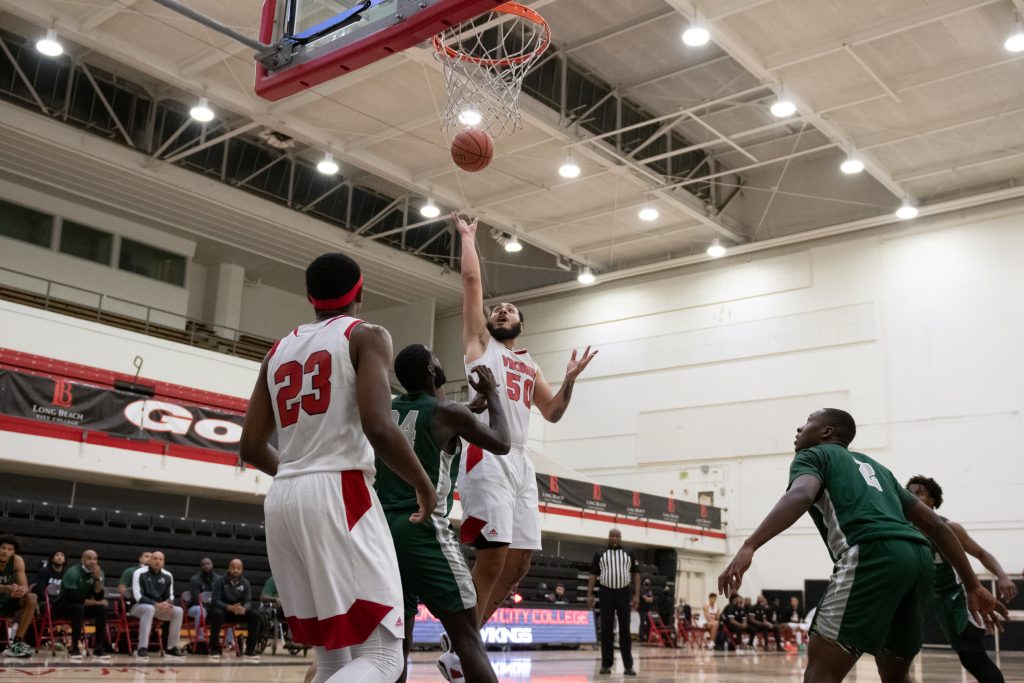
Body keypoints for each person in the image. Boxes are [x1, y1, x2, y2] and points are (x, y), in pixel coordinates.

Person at [239, 252, 437, 683]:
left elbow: (251, 446)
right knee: (384, 658)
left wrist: (301, 475)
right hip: (340, 491)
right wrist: (423, 484)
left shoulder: (276, 351)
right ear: (360, 292)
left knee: (334, 659)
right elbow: (378, 425)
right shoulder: (366, 335)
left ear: (309, 296)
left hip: (283, 496)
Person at [718, 408, 1006, 683]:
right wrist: (972, 585)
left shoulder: (813, 455)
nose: (799, 428)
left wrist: (750, 545)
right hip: (919, 560)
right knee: (896, 676)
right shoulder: (877, 468)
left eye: (807, 421)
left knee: (821, 673)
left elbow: (802, 493)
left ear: (826, 431)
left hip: (872, 554)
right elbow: (937, 526)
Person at [453, 213, 598, 630]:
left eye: (510, 310)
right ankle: (464, 645)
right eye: (497, 310)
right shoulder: (480, 345)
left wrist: (570, 380)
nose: (502, 311)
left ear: (520, 325)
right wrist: (468, 238)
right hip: (487, 452)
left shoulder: (528, 363)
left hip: (520, 461)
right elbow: (471, 284)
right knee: (492, 558)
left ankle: (465, 640)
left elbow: (552, 412)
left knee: (519, 565)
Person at [375, 344, 511, 683]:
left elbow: (425, 418)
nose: (439, 360)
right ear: (431, 371)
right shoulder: (446, 412)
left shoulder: (386, 409)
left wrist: (465, 410)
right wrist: (492, 394)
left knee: (398, 643)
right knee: (467, 637)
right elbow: (502, 442)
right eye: (435, 357)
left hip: (382, 532)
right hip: (423, 528)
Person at [907, 475, 1016, 683]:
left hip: (961, 595)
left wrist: (1002, 576)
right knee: (966, 657)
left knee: (975, 654)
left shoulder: (949, 528)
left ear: (932, 499)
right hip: (938, 600)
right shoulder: (907, 530)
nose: (913, 496)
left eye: (919, 493)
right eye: (910, 493)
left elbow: (982, 553)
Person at [586, 528, 639, 676]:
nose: (615, 538)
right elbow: (593, 574)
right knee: (606, 629)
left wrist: (636, 595)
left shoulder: (629, 552)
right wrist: (589, 594)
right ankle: (606, 665)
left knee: (625, 630)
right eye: (612, 536)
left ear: (620, 537)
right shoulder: (600, 553)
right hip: (606, 593)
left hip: (624, 593)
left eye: (617, 536)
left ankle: (628, 666)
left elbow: (636, 574)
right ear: (608, 537)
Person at [55, 549, 111, 661]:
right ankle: (74, 646)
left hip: (83, 607)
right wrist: (97, 602)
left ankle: (99, 647)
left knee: (102, 608)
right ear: (82, 560)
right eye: (89, 558)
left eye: (95, 559)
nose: (92, 561)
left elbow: (98, 596)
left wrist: (97, 579)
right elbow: (74, 598)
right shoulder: (72, 572)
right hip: (63, 606)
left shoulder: (99, 573)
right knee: (78, 608)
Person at [130, 550, 185, 660]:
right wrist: (155, 604)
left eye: (160, 559)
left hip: (159, 608)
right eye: (155, 559)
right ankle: (142, 648)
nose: (157, 561)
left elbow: (171, 596)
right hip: (138, 607)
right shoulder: (139, 573)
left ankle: (172, 648)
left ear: (163, 562)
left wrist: (167, 604)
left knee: (178, 611)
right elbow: (138, 596)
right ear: (150, 560)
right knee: (149, 608)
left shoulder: (168, 575)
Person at [208, 559, 262, 662]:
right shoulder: (220, 581)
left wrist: (244, 608)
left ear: (242, 570)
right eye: (233, 568)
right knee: (217, 613)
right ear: (229, 568)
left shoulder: (245, 583)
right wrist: (228, 607)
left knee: (255, 615)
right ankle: (214, 649)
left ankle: (250, 650)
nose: (236, 570)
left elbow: (248, 601)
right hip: (224, 611)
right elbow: (215, 600)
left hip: (237, 611)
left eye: (238, 568)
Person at [0, 535, 37, 658]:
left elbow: (24, 586)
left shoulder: (17, 561)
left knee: (32, 598)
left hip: (6, 600)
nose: (5, 552)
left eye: (9, 549)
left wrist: (21, 591)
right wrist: (6, 588)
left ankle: (17, 642)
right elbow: (6, 588)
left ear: (14, 552)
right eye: (3, 548)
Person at [187, 557, 220, 644]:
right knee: (201, 610)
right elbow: (197, 599)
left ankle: (229, 641)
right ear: (201, 567)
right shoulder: (195, 580)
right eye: (203, 565)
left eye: (208, 564)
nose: (206, 566)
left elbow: (220, 596)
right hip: (195, 607)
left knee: (226, 610)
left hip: (212, 607)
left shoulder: (219, 579)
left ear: (212, 565)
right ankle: (200, 639)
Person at [637, 579, 654, 643]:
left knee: (649, 623)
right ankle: (641, 638)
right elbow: (645, 599)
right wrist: (648, 598)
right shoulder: (641, 590)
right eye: (646, 582)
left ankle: (647, 637)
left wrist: (648, 599)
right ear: (644, 582)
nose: (647, 583)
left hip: (648, 610)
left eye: (648, 582)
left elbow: (652, 600)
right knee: (642, 623)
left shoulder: (649, 591)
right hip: (642, 610)